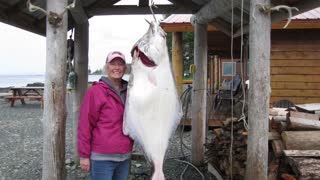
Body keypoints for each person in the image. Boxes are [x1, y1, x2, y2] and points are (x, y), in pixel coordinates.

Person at [77, 51, 133, 180]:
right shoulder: (95, 92)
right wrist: (84, 155)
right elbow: (85, 125)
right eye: (113, 64)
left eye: (120, 64)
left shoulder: (131, 91)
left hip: (125, 156)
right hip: (102, 157)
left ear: (125, 68)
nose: (117, 68)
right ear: (106, 67)